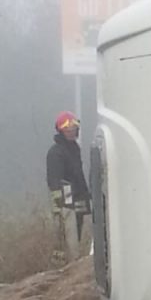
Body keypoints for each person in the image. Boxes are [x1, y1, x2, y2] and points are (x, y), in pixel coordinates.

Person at [47, 111, 91, 261]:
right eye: (67, 128)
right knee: (67, 239)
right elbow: (54, 180)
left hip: (78, 199)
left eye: (73, 128)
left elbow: (78, 175)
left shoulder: (75, 149)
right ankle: (63, 267)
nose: (71, 131)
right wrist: (59, 206)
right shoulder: (55, 153)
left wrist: (86, 195)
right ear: (61, 130)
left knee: (77, 234)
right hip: (65, 203)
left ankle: (74, 262)